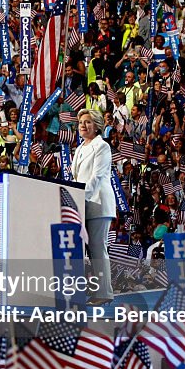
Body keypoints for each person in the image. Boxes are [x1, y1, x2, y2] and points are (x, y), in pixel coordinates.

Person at [71, 108, 116, 303]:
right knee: (85, 250)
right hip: (82, 204)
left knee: (97, 249)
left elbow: (96, 178)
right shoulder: (80, 147)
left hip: (98, 202)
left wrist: (80, 195)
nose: (83, 125)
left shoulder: (102, 146)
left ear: (97, 126)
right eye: (81, 122)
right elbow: (76, 177)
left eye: (88, 122)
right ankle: (88, 290)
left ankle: (104, 293)